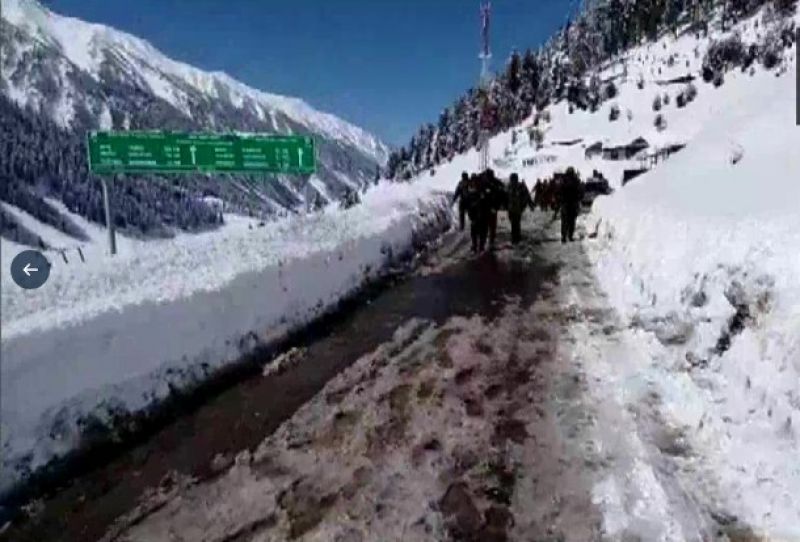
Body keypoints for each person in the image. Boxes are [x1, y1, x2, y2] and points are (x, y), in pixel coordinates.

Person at [557, 167, 584, 243]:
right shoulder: (575, 180)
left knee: (565, 221)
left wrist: (560, 200)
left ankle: (564, 237)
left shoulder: (564, 180)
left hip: (566, 204)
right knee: (571, 221)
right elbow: (580, 191)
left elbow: (559, 191)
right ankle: (569, 236)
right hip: (572, 204)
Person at [506, 173, 534, 245]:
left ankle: (516, 238)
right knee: (513, 222)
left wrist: (530, 204)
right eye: (512, 179)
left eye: (513, 179)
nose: (512, 181)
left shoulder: (521, 186)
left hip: (518, 208)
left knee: (516, 223)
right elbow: (505, 196)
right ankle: (515, 237)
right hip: (511, 208)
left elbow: (527, 195)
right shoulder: (509, 186)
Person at [483, 168, 507, 250]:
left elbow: (503, 193)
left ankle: (491, 241)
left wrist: (500, 205)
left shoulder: (496, 183)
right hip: (486, 207)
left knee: (492, 225)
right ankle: (487, 240)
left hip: (493, 207)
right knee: (487, 225)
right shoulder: (484, 183)